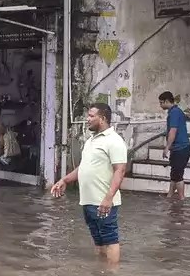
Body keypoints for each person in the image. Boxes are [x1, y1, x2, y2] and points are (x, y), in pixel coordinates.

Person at [49, 102, 130, 265]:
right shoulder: (91, 140)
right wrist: (64, 180)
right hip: (88, 201)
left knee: (110, 238)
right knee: (98, 239)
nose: (87, 119)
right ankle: (100, 274)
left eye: (91, 116)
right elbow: (84, 167)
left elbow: (119, 171)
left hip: (104, 201)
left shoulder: (114, 141)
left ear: (103, 118)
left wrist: (108, 198)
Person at [159, 91, 190, 200]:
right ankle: (169, 195)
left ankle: (181, 199)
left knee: (178, 175)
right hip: (179, 148)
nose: (160, 105)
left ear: (167, 101)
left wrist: (167, 148)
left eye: (161, 103)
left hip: (181, 148)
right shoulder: (176, 111)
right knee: (174, 173)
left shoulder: (174, 113)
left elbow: (173, 131)